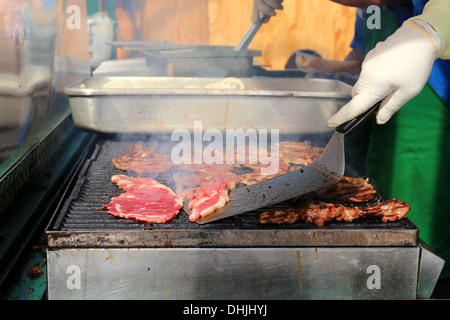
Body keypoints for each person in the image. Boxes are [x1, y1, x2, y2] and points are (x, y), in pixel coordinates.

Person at [252, 0, 450, 298]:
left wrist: (428, 32)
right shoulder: (368, 14)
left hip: (433, 97)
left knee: (425, 233)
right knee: (378, 201)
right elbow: (360, 58)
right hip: (389, 116)